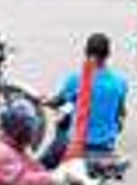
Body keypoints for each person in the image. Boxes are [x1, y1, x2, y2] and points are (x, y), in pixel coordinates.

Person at [41, 33, 128, 168]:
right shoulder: (120, 83)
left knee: (41, 166)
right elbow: (121, 113)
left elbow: (58, 102)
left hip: (78, 144)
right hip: (106, 144)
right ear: (108, 54)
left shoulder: (76, 80)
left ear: (85, 52)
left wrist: (42, 101)